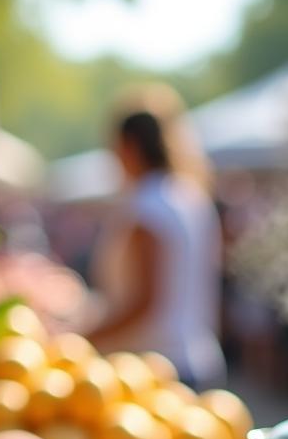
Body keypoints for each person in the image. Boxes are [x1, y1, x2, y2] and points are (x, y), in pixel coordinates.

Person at [87, 105, 225, 390]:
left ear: (129, 147)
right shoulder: (191, 197)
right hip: (196, 360)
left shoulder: (147, 206)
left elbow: (145, 302)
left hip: (160, 369)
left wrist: (83, 338)